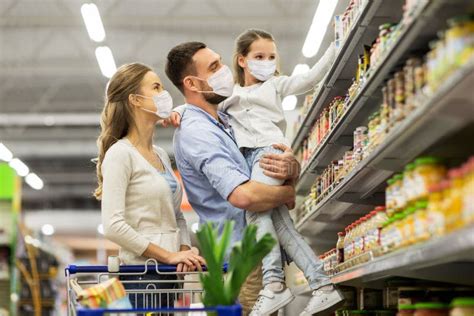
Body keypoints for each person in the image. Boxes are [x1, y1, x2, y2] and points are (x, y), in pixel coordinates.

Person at [168, 29, 344, 316]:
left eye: (220, 63)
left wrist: (292, 169)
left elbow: (309, 79)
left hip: (252, 242)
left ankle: (287, 285)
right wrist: (287, 191)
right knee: (278, 225)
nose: (222, 71)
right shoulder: (204, 123)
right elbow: (245, 197)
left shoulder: (225, 117)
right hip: (240, 252)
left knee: (279, 226)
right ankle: (318, 284)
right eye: (214, 67)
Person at [94, 62, 205, 309]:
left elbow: (176, 216)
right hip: (141, 276)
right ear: (135, 99)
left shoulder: (161, 155)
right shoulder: (120, 154)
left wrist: (184, 253)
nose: (164, 95)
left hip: (170, 275)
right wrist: (168, 255)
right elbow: (113, 225)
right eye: (156, 87)